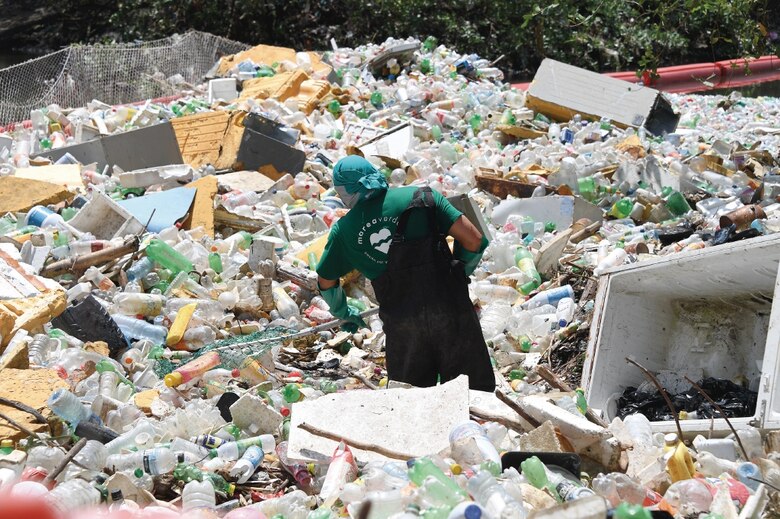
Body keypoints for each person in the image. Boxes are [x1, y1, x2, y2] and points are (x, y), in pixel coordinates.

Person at [317, 155, 495, 392]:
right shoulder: (423, 198)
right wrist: (459, 272)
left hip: (404, 329)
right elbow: (474, 240)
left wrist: (343, 312)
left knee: (411, 402)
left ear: (344, 192)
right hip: (453, 315)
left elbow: (326, 281)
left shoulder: (343, 230)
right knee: (474, 396)